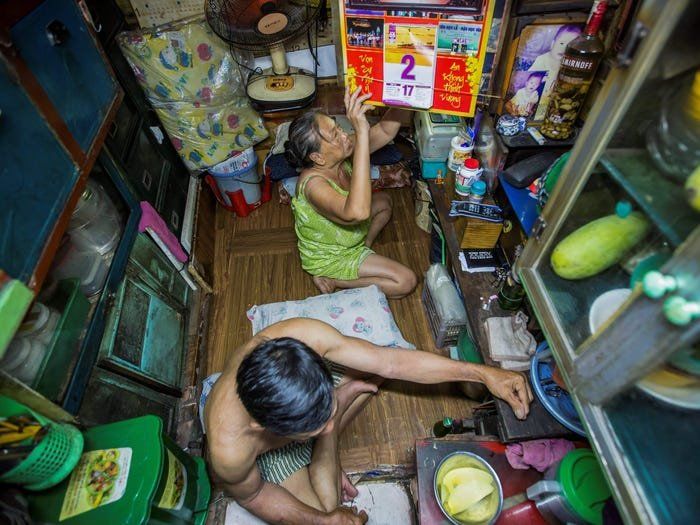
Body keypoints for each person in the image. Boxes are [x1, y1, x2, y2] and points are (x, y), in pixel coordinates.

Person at [202, 318, 533, 525]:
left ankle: (340, 401)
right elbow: (254, 494)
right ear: (265, 428)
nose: (328, 425)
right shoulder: (230, 450)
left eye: (328, 415)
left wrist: (483, 373)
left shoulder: (299, 337)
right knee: (327, 508)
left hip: (302, 397)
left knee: (380, 361)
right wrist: (323, 521)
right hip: (271, 450)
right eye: (316, 428)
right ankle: (343, 401)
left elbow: (391, 362)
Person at [286, 87, 417, 299]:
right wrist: (362, 133)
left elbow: (385, 131)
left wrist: (405, 96)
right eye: (335, 135)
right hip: (332, 256)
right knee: (405, 281)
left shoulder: (337, 153)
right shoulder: (313, 186)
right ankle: (336, 279)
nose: (345, 135)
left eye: (339, 127)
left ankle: (364, 247)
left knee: (384, 202)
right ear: (318, 158)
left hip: (348, 235)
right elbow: (358, 213)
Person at [528, 25, 582, 120]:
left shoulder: (571, 65)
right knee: (538, 112)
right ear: (553, 43)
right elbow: (531, 77)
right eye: (561, 43)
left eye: (570, 46)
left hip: (557, 99)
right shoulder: (542, 59)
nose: (564, 49)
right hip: (542, 95)